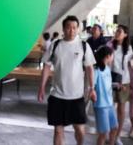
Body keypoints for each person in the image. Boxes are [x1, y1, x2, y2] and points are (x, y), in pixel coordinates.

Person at [39, 15, 96, 145]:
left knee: (80, 130)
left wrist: (92, 88)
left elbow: (89, 69)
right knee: (58, 131)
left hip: (77, 97)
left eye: (74, 28)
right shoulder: (55, 45)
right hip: (57, 95)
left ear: (78, 29)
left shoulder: (84, 46)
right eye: (69, 28)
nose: (72, 31)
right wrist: (42, 87)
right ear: (63, 29)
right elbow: (47, 66)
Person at [109, 25, 133, 144]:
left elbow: (130, 65)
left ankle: (117, 135)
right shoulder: (110, 45)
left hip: (124, 82)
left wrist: (132, 83)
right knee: (110, 108)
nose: (117, 33)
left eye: (120, 31)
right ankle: (110, 134)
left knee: (122, 109)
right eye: (116, 31)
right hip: (111, 81)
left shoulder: (128, 48)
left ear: (125, 34)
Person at [93, 46, 118, 145]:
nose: (113, 58)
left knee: (114, 128)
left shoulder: (107, 69)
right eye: (112, 56)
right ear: (108, 56)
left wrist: (115, 85)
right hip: (100, 105)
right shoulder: (96, 70)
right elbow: (92, 86)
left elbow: (107, 84)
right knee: (103, 133)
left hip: (109, 104)